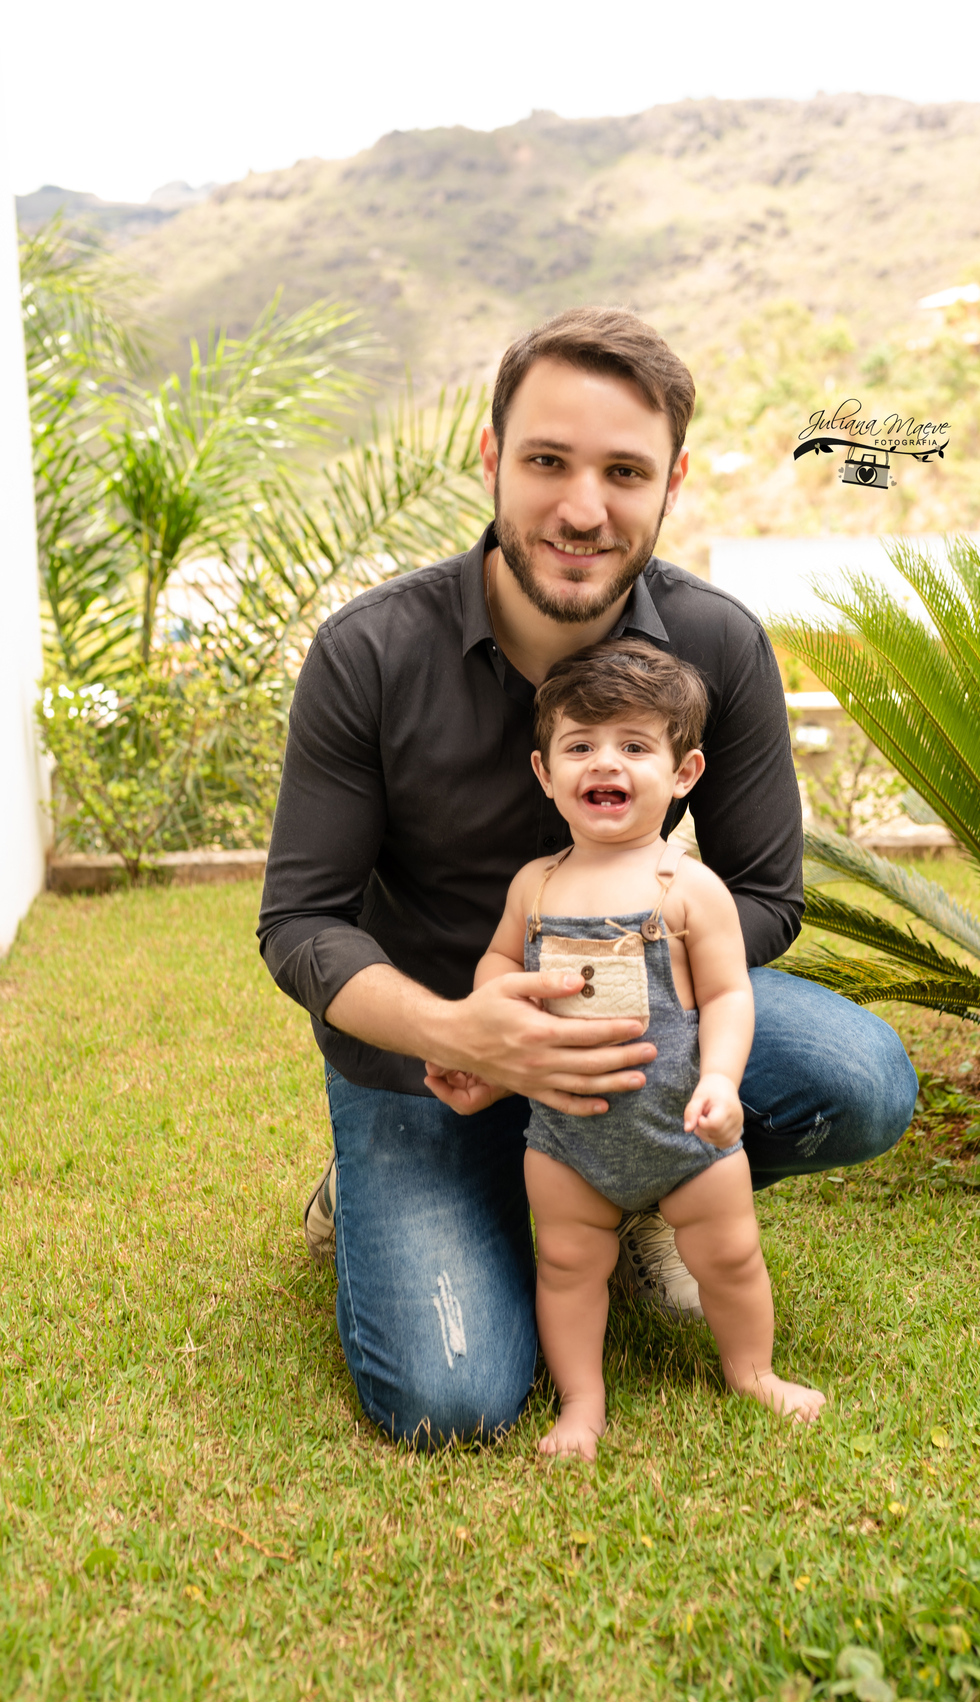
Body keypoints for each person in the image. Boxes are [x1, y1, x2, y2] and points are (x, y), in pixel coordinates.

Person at [258, 304, 916, 1448]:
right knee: (452, 1402)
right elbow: (301, 922)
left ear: (672, 483)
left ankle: (641, 1185)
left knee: (860, 1080)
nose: (581, 508)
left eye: (624, 471)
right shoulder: (370, 652)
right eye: (548, 462)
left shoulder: (720, 645)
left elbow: (768, 894)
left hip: (647, 1042)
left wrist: (657, 976)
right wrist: (464, 1034)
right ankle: (378, 1188)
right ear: (492, 458)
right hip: (435, 1057)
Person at [425, 641, 827, 1458]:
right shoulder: (535, 885)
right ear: (545, 772)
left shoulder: (689, 887)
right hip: (566, 1139)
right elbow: (500, 961)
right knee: (567, 1265)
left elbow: (727, 994)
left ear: (684, 773)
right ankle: (582, 1402)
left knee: (730, 1255)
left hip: (683, 1130)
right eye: (581, 745)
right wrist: (485, 1012)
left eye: (635, 745)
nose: (605, 762)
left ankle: (753, 1371)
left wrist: (721, 1079)